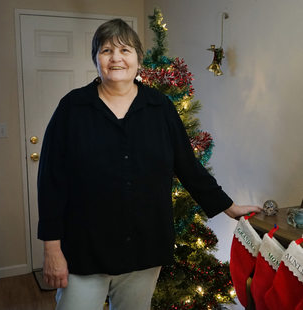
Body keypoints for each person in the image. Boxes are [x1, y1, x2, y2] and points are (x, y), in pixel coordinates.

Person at [37, 18, 261, 310]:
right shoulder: (72, 108)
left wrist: (229, 207)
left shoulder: (160, 107)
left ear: (138, 59)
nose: (116, 58)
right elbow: (51, 181)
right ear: (96, 59)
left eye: (125, 50)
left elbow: (188, 166)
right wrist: (52, 249)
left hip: (144, 248)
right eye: (106, 51)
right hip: (85, 249)